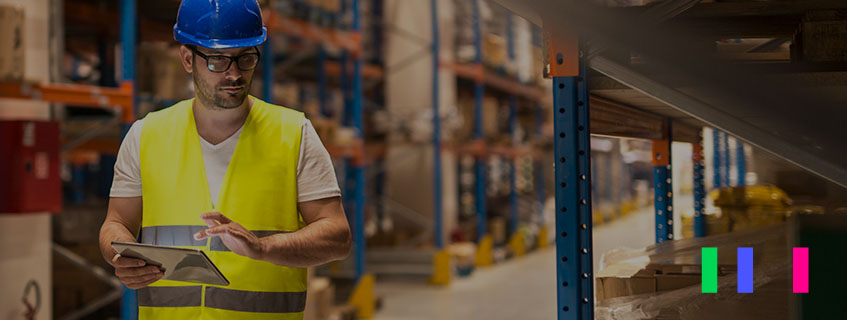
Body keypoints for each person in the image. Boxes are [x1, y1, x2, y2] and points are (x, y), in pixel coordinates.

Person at [98, 1, 351, 318]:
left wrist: (264, 248)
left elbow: (337, 236)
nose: (234, 74)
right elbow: (116, 223)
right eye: (218, 60)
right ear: (188, 59)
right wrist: (120, 257)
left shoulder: (294, 134)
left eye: (245, 58)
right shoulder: (145, 135)